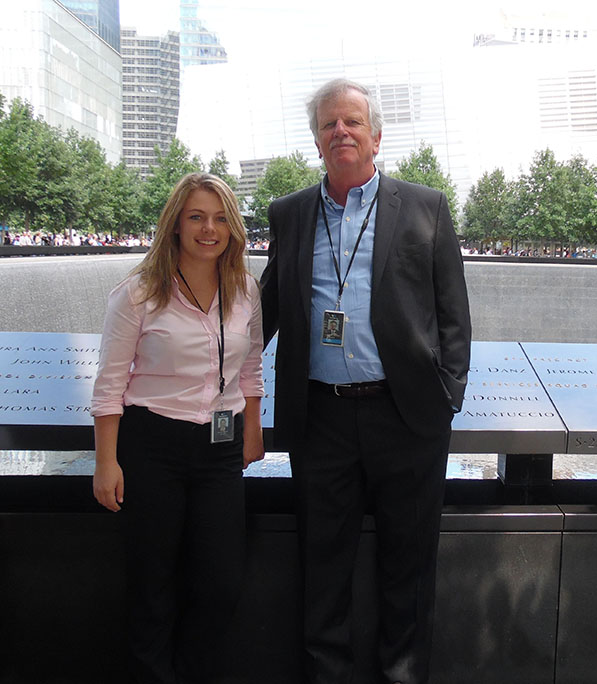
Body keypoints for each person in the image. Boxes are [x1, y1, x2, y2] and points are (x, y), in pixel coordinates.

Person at [260, 78, 471, 684]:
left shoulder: (425, 206)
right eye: (329, 125)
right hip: (320, 420)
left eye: (352, 122)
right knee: (321, 568)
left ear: (376, 136)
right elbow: (264, 312)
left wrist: (446, 396)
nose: (340, 132)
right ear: (317, 140)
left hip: (406, 419)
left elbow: (453, 313)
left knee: (407, 569)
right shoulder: (292, 213)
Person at [91, 172, 265, 684]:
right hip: (152, 445)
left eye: (219, 218)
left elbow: (251, 365)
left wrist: (252, 428)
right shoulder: (139, 291)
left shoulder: (245, 289)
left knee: (220, 584)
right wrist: (106, 462)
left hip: (219, 447)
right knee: (153, 583)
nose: (208, 229)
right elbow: (109, 385)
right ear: (175, 224)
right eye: (196, 217)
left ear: (232, 227)